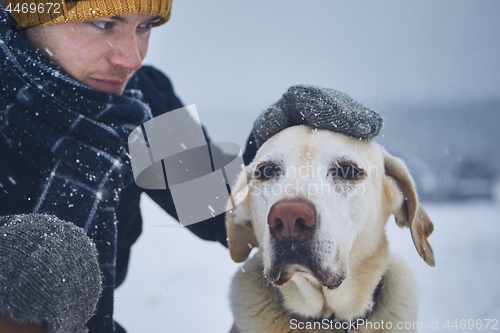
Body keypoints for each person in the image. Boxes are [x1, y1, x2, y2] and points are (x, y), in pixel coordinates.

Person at [0, 0, 382, 331]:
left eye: (145, 26)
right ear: (31, 15)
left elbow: (220, 208)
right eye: (104, 24)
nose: (131, 58)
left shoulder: (139, 102)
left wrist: (273, 140)